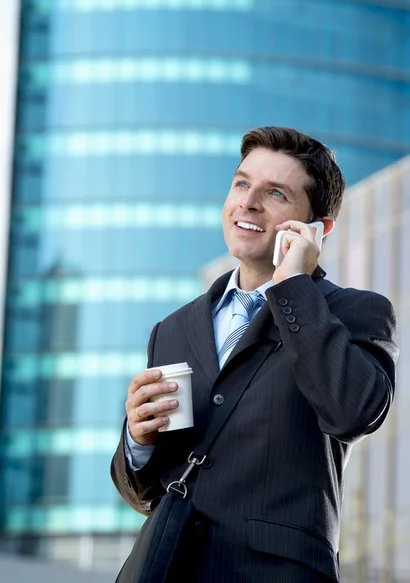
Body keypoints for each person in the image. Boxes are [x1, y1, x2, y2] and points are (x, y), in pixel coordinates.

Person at [111, 126, 398, 582]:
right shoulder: (173, 329)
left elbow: (354, 412)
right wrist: (138, 444)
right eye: (242, 183)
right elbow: (148, 488)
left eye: (276, 193)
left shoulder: (353, 311)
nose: (248, 202)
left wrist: (293, 286)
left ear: (318, 228)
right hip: (170, 569)